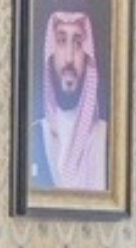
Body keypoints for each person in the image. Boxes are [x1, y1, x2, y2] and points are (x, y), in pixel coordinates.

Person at [30, 0, 108, 191]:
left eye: (78, 43)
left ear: (88, 55)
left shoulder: (106, 138)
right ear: (50, 50)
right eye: (61, 41)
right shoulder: (34, 135)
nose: (69, 58)